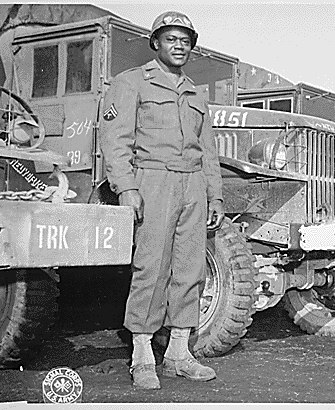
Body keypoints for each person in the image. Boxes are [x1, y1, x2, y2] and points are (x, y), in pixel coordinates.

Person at [100, 11, 225, 389]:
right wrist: (126, 187)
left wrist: (214, 195)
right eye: (171, 38)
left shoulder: (195, 92)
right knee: (151, 268)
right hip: (152, 181)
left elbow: (208, 150)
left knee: (190, 270)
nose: (180, 45)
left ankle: (178, 354)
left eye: (186, 40)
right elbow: (115, 140)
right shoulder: (131, 82)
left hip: (192, 186)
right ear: (155, 43)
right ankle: (142, 355)